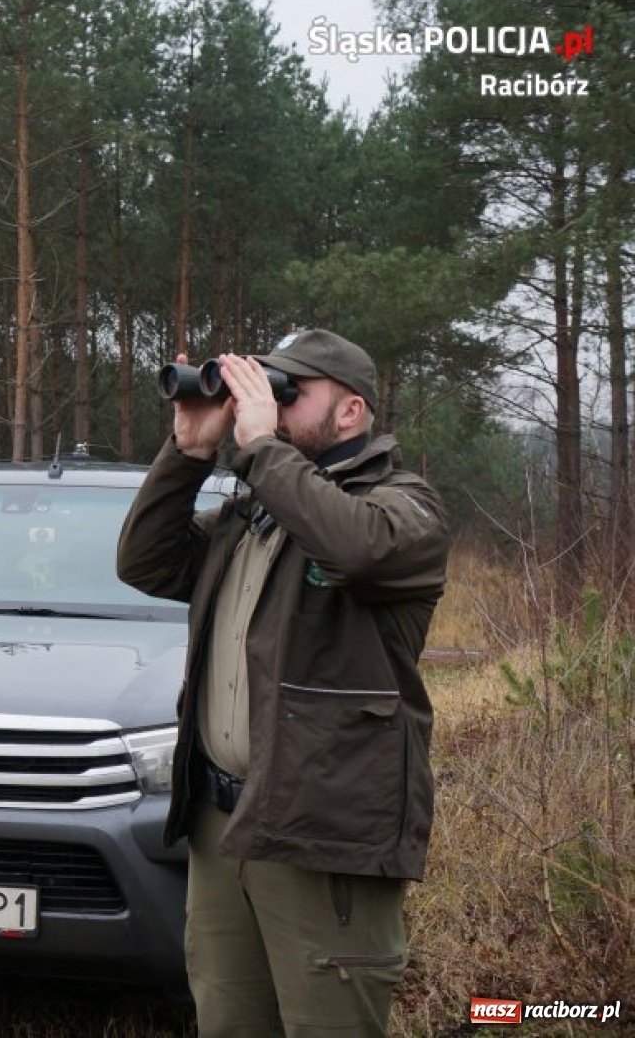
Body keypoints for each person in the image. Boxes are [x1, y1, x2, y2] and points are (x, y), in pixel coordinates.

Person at [116, 330, 450, 1036]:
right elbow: (145, 564)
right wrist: (189, 452)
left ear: (351, 413)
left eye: (286, 390)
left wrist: (262, 446)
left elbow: (353, 547)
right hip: (222, 824)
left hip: (321, 827)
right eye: (260, 387)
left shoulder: (404, 507)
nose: (261, 402)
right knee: (230, 1020)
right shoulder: (252, 513)